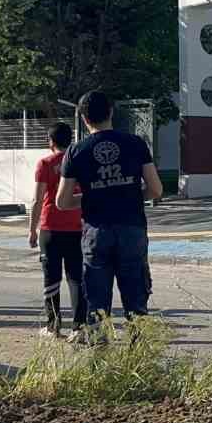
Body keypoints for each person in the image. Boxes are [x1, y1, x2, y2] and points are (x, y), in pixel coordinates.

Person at [57, 91, 163, 327]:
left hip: (96, 232)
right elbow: (156, 190)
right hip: (131, 229)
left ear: (84, 119)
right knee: (136, 303)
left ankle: (100, 356)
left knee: (97, 305)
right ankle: (140, 357)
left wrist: (93, 195)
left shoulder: (76, 151)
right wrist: (130, 196)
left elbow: (62, 202)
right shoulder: (136, 144)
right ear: (112, 112)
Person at [29, 122, 85, 337]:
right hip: (77, 227)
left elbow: (37, 199)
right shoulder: (79, 161)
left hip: (50, 227)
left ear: (50, 141)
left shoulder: (45, 163)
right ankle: (79, 327)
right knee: (76, 277)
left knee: (51, 277)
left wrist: (32, 230)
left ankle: (53, 326)